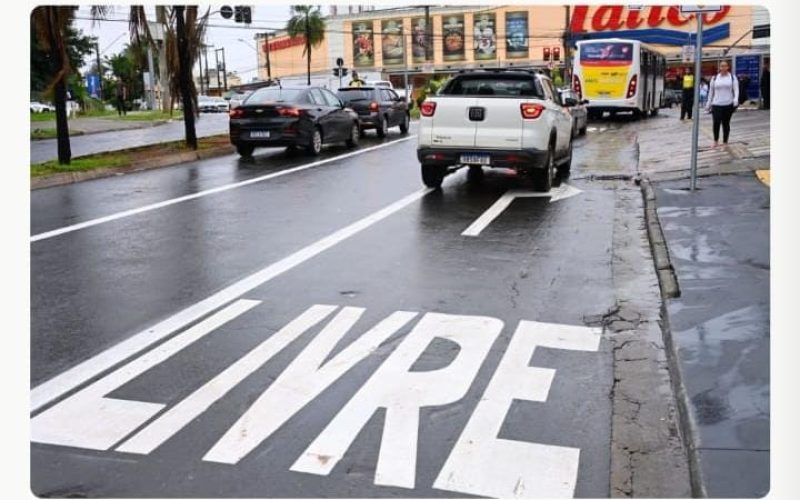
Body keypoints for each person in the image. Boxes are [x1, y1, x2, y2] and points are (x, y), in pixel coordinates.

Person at [706, 60, 739, 147]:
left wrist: (735, 99)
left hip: (728, 103)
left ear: (728, 67)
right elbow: (711, 92)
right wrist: (708, 103)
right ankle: (715, 141)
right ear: (719, 68)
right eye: (721, 66)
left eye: (725, 66)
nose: (723, 68)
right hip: (716, 104)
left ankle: (725, 141)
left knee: (726, 123)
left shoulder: (732, 77)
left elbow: (736, 89)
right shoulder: (715, 78)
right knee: (716, 122)